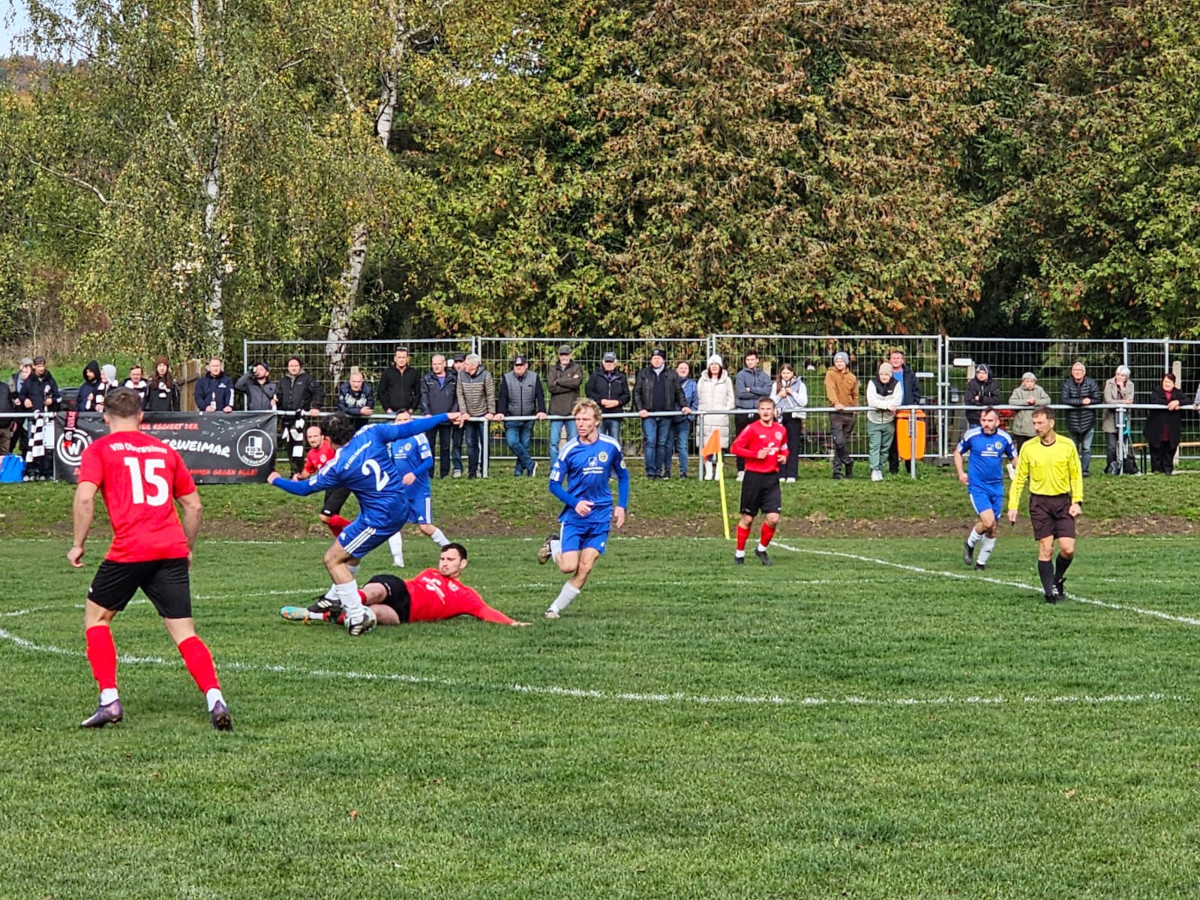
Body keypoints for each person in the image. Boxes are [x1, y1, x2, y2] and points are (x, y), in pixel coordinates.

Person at [66, 387, 231, 731]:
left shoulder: (99, 449)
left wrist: (78, 543)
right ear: (142, 417)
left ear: (105, 418)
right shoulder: (165, 451)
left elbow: (84, 499)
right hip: (170, 549)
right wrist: (187, 547)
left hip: (129, 549)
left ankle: (109, 699)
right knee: (184, 632)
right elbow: (195, 506)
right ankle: (215, 697)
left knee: (97, 619)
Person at [267, 410, 463, 636]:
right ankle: (332, 598)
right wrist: (445, 416)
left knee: (332, 559)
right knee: (351, 550)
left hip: (380, 517)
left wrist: (275, 479)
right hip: (398, 505)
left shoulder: (338, 466)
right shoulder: (372, 432)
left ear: (328, 439)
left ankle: (355, 613)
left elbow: (303, 488)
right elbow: (410, 429)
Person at [281, 544, 528, 627]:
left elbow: (485, 612)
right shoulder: (430, 573)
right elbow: (412, 587)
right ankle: (330, 604)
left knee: (371, 615)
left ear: (463, 563)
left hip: (405, 613)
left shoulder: (466, 595)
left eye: (450, 560)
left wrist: (512, 622)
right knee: (374, 593)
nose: (444, 564)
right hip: (399, 588)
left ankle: (320, 616)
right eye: (442, 559)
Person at [537, 398, 630, 618]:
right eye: (577, 419)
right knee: (568, 567)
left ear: (596, 421)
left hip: (600, 514)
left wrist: (621, 506)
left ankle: (554, 608)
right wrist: (575, 503)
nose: (580, 423)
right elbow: (554, 485)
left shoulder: (611, 446)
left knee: (586, 566)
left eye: (585, 419)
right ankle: (555, 545)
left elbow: (624, 476)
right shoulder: (569, 449)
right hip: (575, 516)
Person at [1007, 406, 1083, 603]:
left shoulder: (1067, 445)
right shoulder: (1029, 447)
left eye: (1040, 423)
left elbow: (1076, 475)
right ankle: (1049, 593)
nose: (1037, 427)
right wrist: (1013, 505)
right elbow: (1019, 478)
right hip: (1039, 503)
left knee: (1068, 549)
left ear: (1051, 423)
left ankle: (1057, 580)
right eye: (1034, 423)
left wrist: (1077, 501)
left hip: (1062, 502)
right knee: (1046, 548)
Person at [385, 412, 453, 567]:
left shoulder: (418, 437)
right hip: (400, 490)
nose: (402, 422)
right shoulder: (392, 441)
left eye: (405, 419)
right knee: (393, 524)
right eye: (399, 420)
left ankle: (451, 551)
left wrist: (413, 474)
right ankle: (398, 560)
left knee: (425, 527)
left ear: (411, 421)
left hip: (419, 490)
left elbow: (428, 461)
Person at [955, 407, 1016, 571]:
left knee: (993, 527)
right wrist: (961, 473)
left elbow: (1014, 458)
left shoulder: (1004, 438)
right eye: (983, 420)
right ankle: (969, 543)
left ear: (997, 421)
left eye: (990, 421)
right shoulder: (972, 435)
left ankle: (980, 564)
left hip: (997, 487)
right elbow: (957, 452)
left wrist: (1023, 471)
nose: (986, 424)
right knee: (988, 522)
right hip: (978, 486)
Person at [729, 396, 788, 565]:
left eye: (769, 409)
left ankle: (761, 549)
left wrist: (784, 457)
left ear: (773, 411)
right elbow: (735, 447)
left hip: (771, 478)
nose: (766, 412)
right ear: (758, 411)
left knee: (773, 519)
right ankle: (739, 553)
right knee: (747, 519)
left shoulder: (780, 430)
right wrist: (755, 454)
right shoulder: (751, 429)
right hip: (753, 478)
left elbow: (784, 448)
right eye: (762, 409)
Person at [633, 347, 691, 479]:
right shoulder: (643, 373)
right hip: (648, 414)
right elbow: (636, 392)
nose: (656, 360)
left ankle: (658, 471)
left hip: (666, 414)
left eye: (659, 358)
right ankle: (650, 471)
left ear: (663, 360)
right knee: (650, 441)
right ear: (650, 360)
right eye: (654, 358)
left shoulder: (671, 374)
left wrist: (684, 406)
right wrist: (640, 408)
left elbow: (678, 392)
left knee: (661, 443)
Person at [496, 354, 547, 477]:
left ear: (526, 366)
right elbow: (503, 397)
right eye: (516, 365)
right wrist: (501, 412)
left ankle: (519, 471)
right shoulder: (507, 378)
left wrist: (541, 410)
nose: (519, 367)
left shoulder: (534, 377)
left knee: (524, 445)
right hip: (512, 417)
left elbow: (539, 395)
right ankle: (530, 464)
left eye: (521, 365)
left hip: (528, 417)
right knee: (512, 442)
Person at [276, 356, 325, 476]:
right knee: (288, 445)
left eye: (296, 365)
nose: (294, 368)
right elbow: (279, 396)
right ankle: (293, 470)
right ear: (288, 367)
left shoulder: (307, 379)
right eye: (291, 366)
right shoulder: (283, 381)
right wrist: (275, 401)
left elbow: (319, 392)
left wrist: (316, 406)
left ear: (300, 366)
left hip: (300, 418)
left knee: (298, 445)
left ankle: (299, 472)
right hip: (285, 417)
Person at [20, 355, 62, 480]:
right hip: (34, 418)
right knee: (32, 444)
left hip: (48, 418)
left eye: (43, 366)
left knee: (48, 446)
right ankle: (32, 471)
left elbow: (58, 397)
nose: (41, 368)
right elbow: (21, 395)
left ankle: (47, 472)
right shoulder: (29, 381)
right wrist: (25, 400)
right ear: (34, 366)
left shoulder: (50, 380)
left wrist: (52, 400)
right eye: (38, 366)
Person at [455, 353, 496, 478]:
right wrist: (464, 412)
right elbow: (460, 394)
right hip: (469, 416)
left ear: (474, 365)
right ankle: (472, 471)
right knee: (470, 443)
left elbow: (490, 394)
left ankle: (484, 470)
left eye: (466, 363)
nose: (463, 366)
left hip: (483, 414)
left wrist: (491, 412)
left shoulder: (486, 375)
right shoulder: (461, 375)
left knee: (485, 444)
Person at [420, 353, 459, 479]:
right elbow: (424, 396)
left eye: (438, 364)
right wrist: (426, 413)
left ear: (444, 364)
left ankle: (445, 473)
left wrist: (452, 413)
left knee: (446, 447)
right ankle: (429, 473)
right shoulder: (427, 379)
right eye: (434, 364)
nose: (436, 366)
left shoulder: (453, 379)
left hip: (447, 418)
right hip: (431, 419)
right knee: (429, 447)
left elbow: (457, 398)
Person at [696, 354, 735, 480]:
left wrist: (725, 410)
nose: (714, 367)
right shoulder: (702, 380)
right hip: (705, 417)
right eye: (711, 364)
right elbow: (697, 397)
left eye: (716, 364)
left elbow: (731, 398)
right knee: (706, 445)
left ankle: (719, 472)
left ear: (720, 366)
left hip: (720, 418)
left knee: (720, 445)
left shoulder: (726, 380)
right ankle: (708, 472)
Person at [734, 351, 772, 478]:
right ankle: (741, 469)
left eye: (752, 359)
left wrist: (751, 389)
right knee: (742, 441)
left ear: (757, 360)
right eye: (748, 360)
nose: (750, 362)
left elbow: (767, 392)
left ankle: (756, 467)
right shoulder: (740, 375)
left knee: (758, 441)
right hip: (742, 412)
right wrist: (758, 393)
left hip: (758, 413)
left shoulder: (764, 376)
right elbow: (741, 393)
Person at [1061, 361, 1102, 477]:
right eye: (1075, 370)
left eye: (1079, 371)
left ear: (1084, 373)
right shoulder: (1067, 384)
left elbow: (1097, 398)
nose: (1077, 373)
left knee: (1086, 449)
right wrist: (1081, 402)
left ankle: (1085, 470)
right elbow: (1065, 400)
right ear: (1072, 372)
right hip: (1072, 422)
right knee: (1072, 449)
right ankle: (1073, 469)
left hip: (1088, 421)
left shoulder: (1091, 383)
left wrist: (1090, 401)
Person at [886, 348, 922, 475]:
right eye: (893, 358)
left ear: (902, 360)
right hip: (890, 412)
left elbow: (916, 390)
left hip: (907, 413)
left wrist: (915, 403)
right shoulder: (885, 373)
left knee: (909, 440)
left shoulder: (909, 374)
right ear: (890, 360)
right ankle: (893, 470)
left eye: (898, 358)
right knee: (893, 442)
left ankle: (910, 469)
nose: (895, 360)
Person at [770, 362, 807, 483]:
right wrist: (779, 396)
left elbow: (803, 402)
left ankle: (792, 473)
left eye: (788, 373)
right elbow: (770, 402)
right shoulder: (776, 385)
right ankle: (781, 473)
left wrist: (792, 393)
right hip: (779, 416)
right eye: (784, 373)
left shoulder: (800, 385)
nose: (786, 375)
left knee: (793, 445)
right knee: (780, 445)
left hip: (794, 416)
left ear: (792, 373)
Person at [866, 362, 902, 482]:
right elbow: (872, 401)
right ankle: (874, 469)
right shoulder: (872, 383)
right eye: (881, 374)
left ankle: (880, 468)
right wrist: (887, 405)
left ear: (890, 374)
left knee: (885, 447)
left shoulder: (896, 384)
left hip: (889, 421)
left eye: (886, 374)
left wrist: (883, 405)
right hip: (874, 420)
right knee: (875, 446)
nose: (884, 376)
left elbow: (897, 401)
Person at [824, 351, 858, 480]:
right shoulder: (830, 374)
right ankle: (848, 461)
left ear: (846, 362)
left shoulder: (852, 377)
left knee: (843, 442)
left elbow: (855, 395)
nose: (839, 363)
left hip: (849, 414)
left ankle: (837, 471)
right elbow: (830, 389)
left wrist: (855, 410)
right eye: (837, 361)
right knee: (838, 442)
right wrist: (835, 403)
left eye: (841, 361)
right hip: (836, 413)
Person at [585, 352, 630, 444]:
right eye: (607, 361)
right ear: (603, 362)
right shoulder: (595, 376)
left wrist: (618, 402)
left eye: (611, 361)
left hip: (615, 415)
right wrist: (601, 401)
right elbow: (589, 392)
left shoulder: (621, 377)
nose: (609, 364)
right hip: (599, 414)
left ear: (615, 363)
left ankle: (614, 458)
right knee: (599, 440)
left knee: (615, 441)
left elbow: (627, 395)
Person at [546, 344, 583, 456]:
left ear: (570, 355)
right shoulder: (552, 369)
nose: (564, 357)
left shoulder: (577, 368)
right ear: (558, 355)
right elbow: (551, 387)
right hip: (556, 412)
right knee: (553, 443)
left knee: (573, 442)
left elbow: (576, 383)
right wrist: (569, 383)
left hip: (572, 411)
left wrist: (558, 381)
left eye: (566, 354)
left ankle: (573, 467)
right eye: (562, 354)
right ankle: (555, 468)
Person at [1144, 373, 1184, 475]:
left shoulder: (1178, 393)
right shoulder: (1157, 391)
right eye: (1165, 381)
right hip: (1156, 429)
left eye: (1169, 382)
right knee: (1156, 450)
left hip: (1172, 430)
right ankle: (1157, 471)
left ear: (1173, 384)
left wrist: (1178, 402)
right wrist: (1171, 403)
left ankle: (1167, 471)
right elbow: (1154, 401)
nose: (1166, 384)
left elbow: (1188, 400)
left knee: (1169, 451)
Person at [667, 360, 699, 479]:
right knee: (668, 445)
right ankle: (667, 471)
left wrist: (690, 416)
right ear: (676, 369)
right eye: (681, 368)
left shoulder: (692, 384)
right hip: (670, 419)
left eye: (686, 368)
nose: (683, 370)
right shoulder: (669, 382)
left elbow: (695, 402)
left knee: (682, 446)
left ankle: (683, 472)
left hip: (684, 420)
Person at [1103, 365, 1135, 474]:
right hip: (1110, 419)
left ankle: (1123, 468)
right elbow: (1108, 400)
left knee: (1123, 445)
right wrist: (1123, 402)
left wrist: (1122, 389)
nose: (1119, 377)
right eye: (1117, 374)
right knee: (1112, 447)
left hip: (1124, 419)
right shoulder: (1109, 383)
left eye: (1122, 376)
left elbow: (1130, 400)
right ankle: (1111, 469)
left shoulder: (1130, 385)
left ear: (1126, 377)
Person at [1007, 372, 1050, 452]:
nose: (1030, 383)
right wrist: (1026, 402)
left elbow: (1047, 400)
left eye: (1032, 381)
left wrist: (1035, 402)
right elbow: (1012, 401)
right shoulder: (1017, 391)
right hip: (1021, 429)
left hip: (1035, 429)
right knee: (1021, 451)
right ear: (1023, 382)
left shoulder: (1039, 390)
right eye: (1027, 381)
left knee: (1036, 451)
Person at [378, 346, 422, 415]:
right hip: (391, 412)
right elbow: (381, 392)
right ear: (395, 359)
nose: (401, 360)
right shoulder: (387, 372)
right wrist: (387, 409)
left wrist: (412, 409)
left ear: (407, 359)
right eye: (399, 357)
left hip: (408, 413)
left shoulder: (414, 373)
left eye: (403, 357)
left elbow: (418, 393)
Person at [8, 357, 33, 456]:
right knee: (13, 435)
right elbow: (7, 394)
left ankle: (25, 456)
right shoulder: (12, 379)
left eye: (29, 366)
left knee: (26, 434)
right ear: (20, 366)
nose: (26, 368)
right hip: (16, 411)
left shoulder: (34, 380)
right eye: (24, 366)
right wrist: (14, 401)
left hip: (29, 409)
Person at [449, 352, 467, 477]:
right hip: (455, 414)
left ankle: (476, 466)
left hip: (469, 413)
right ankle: (457, 467)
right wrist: (455, 413)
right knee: (456, 442)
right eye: (456, 362)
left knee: (473, 442)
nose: (458, 365)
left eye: (461, 362)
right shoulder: (450, 377)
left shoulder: (470, 375)